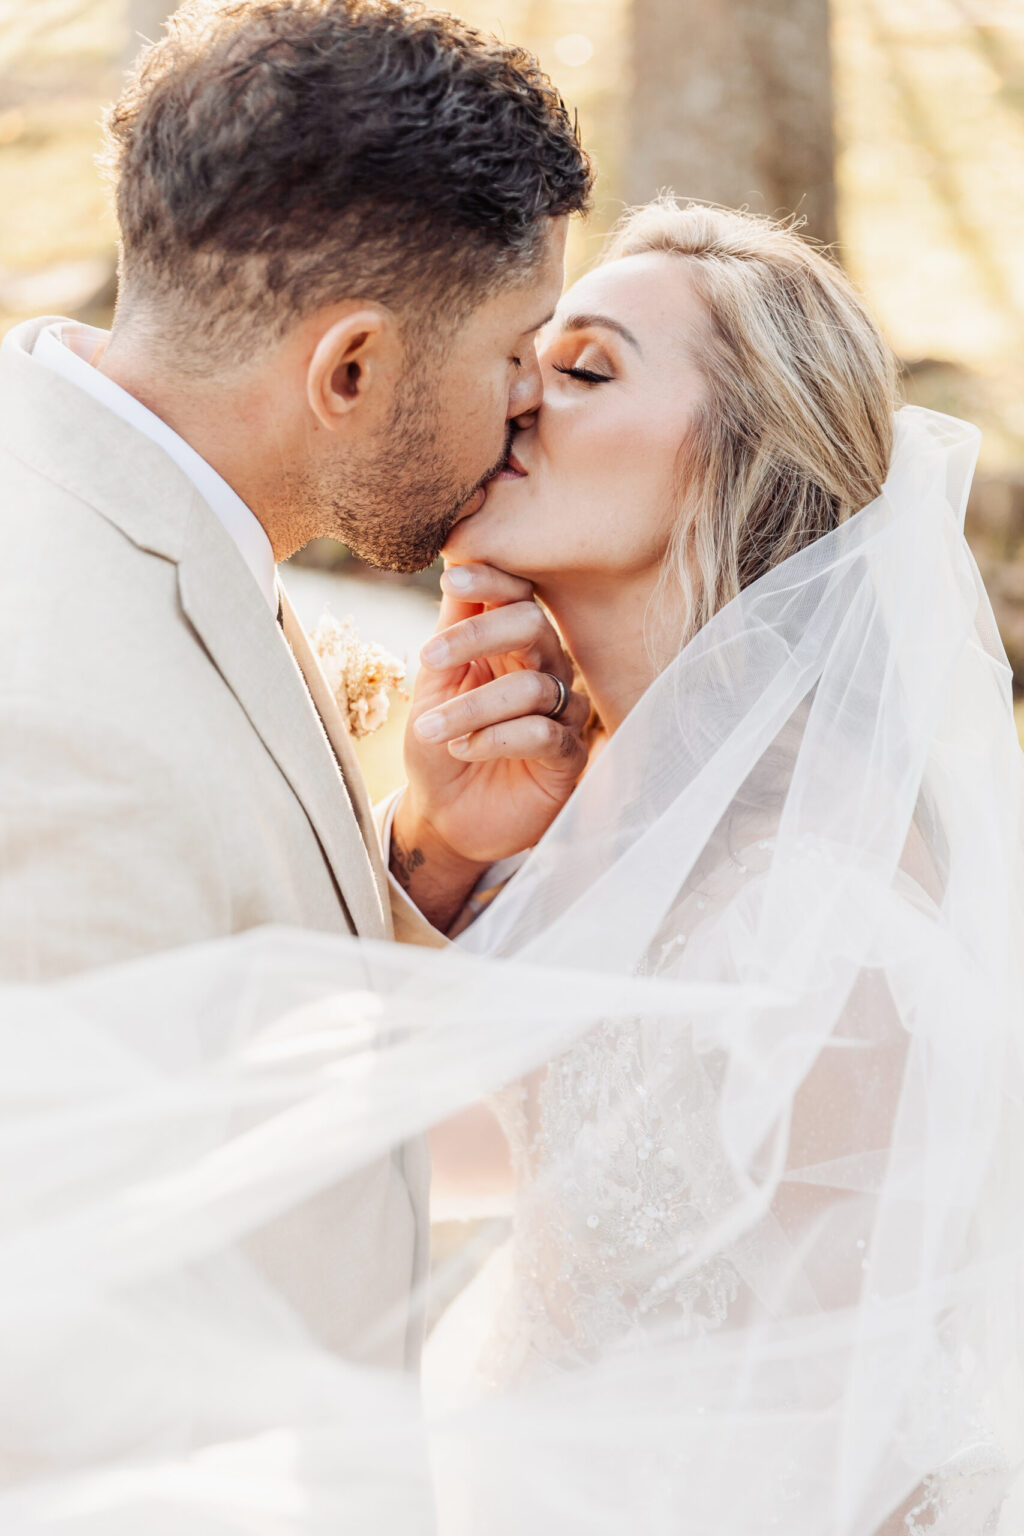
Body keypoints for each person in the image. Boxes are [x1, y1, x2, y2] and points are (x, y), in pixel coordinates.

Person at [407, 202, 1024, 1532]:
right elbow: (421, 1153)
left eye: (582, 370)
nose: (513, 404)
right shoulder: (606, 808)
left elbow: (842, 1455)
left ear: (740, 460)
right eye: (525, 364)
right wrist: (443, 849)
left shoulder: (827, 913)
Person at [0, 0, 593, 1370]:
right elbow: (71, 1344)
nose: (528, 406)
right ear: (354, 367)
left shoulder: (153, 519)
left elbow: (232, 1069)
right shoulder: (49, 714)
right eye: (517, 351)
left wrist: (428, 863)